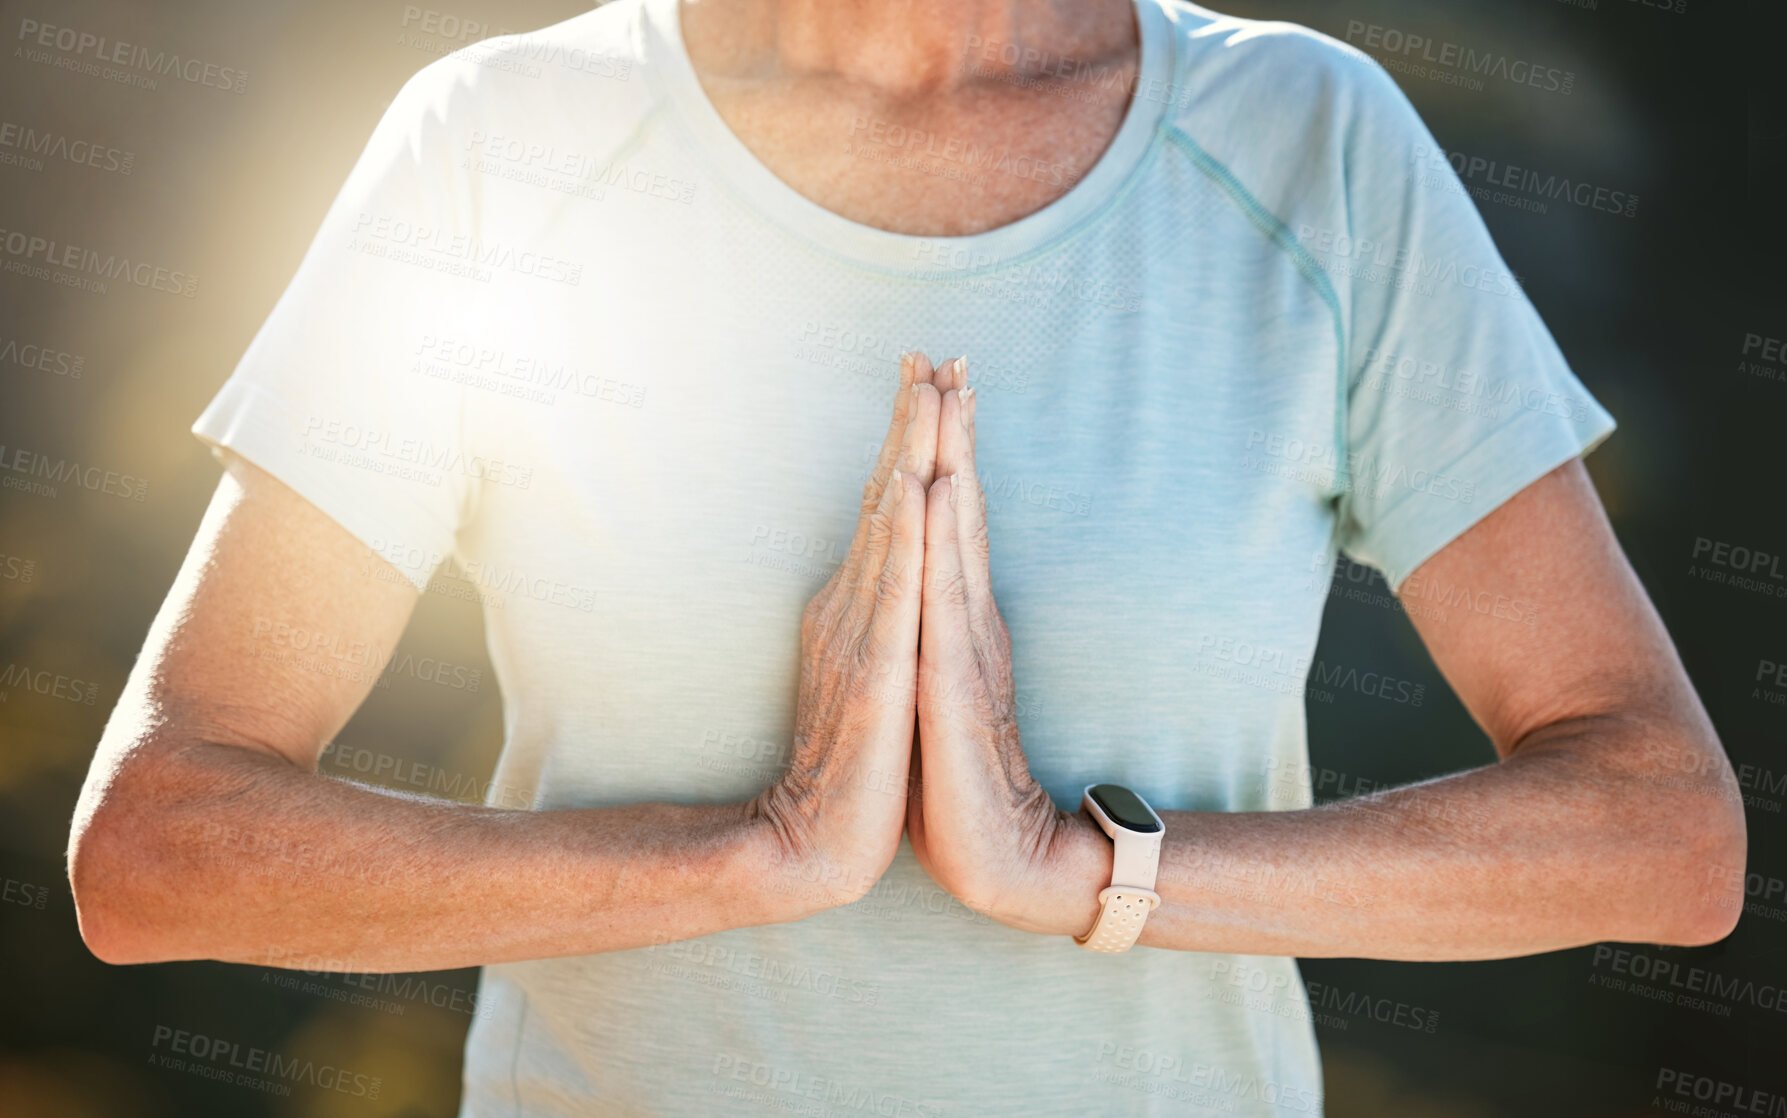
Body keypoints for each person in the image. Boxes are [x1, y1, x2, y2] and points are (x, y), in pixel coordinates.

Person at [68, 0, 1744, 1113]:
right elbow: (159, 849)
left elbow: (1662, 834)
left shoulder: (1315, 144)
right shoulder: (502, 142)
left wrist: (1079, 870)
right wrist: (759, 852)